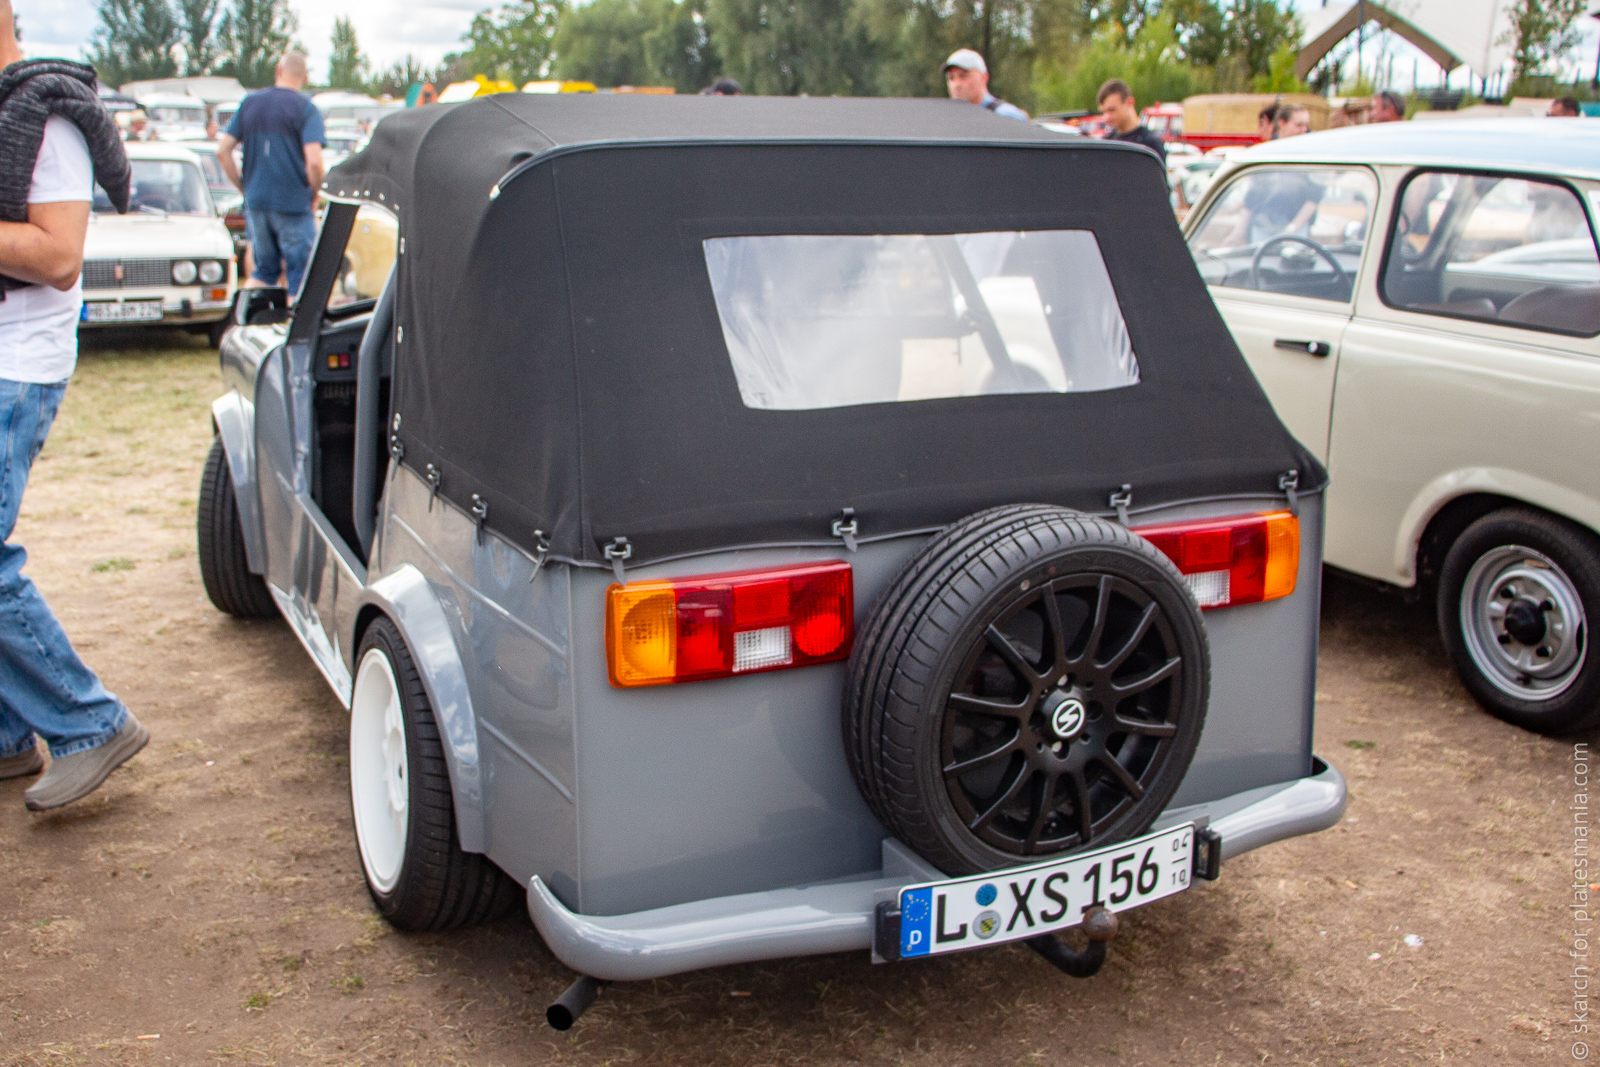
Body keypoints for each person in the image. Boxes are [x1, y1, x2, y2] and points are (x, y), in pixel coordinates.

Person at [0, 0, 148, 810]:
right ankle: (8, 737)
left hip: (15, 365)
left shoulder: (43, 114)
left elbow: (58, 255)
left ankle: (90, 723)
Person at [216, 51, 326, 296]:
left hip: (257, 204)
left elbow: (222, 151)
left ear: (278, 70)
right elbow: (315, 163)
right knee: (301, 276)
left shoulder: (249, 103)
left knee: (264, 271)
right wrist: (315, 193)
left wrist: (245, 187)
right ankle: (294, 333)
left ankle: (245, 324)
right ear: (304, 77)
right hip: (293, 205)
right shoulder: (306, 110)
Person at [942, 49, 1028, 121]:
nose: (956, 84)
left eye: (963, 76)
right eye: (951, 78)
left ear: (984, 78)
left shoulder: (1005, 117)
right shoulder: (949, 120)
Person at [1097, 79, 1164, 162]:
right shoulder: (1106, 143)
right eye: (1103, 112)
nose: (1106, 117)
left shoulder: (1150, 145)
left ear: (1130, 102)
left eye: (1112, 110)